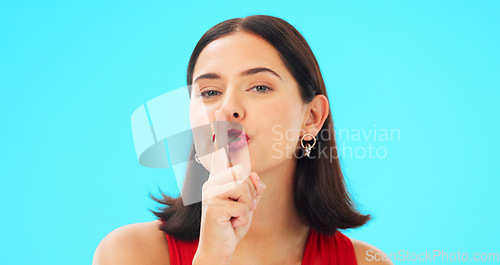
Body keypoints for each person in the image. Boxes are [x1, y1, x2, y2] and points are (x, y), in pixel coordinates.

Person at [93, 15, 393, 265]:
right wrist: (211, 257)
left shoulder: (366, 261)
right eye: (210, 92)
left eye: (259, 87)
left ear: (312, 118)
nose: (227, 109)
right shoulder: (129, 253)